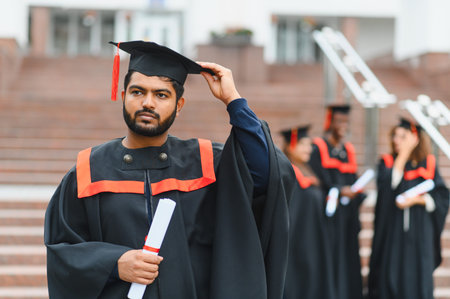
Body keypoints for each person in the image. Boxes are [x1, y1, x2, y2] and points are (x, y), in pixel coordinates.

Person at [44, 40, 295, 299]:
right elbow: (63, 250)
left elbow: (266, 176)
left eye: (161, 94)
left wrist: (234, 101)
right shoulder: (90, 169)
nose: (148, 103)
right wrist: (113, 262)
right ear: (123, 97)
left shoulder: (207, 162)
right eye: (137, 92)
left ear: (179, 105)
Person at [368, 118, 449, 299]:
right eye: (395, 136)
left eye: (403, 137)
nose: (397, 140)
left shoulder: (428, 163)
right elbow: (387, 189)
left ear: (415, 139)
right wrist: (403, 155)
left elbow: (442, 196)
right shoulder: (388, 162)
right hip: (394, 234)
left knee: (419, 278)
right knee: (391, 275)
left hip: (420, 235)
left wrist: (417, 200)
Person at [308, 104, 365, 299]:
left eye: (346, 122)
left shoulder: (348, 149)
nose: (343, 125)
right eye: (339, 121)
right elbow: (317, 181)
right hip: (328, 217)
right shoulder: (319, 147)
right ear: (330, 122)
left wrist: (358, 192)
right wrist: (340, 191)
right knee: (330, 257)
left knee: (348, 258)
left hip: (347, 218)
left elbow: (353, 180)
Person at [281, 125, 336, 299]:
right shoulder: (289, 172)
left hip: (311, 240)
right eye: (303, 144)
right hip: (297, 244)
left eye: (309, 145)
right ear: (291, 146)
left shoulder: (306, 169)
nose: (308, 149)